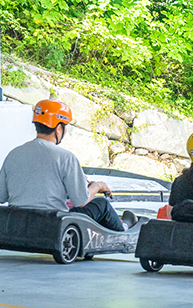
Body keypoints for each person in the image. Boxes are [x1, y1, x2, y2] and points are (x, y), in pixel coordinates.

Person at [0, 99, 133, 231]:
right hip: (53, 224)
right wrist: (98, 186)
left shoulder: (13, 154)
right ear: (58, 129)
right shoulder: (65, 158)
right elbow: (81, 200)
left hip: (15, 224)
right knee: (102, 204)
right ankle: (124, 228)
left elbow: (1, 196)